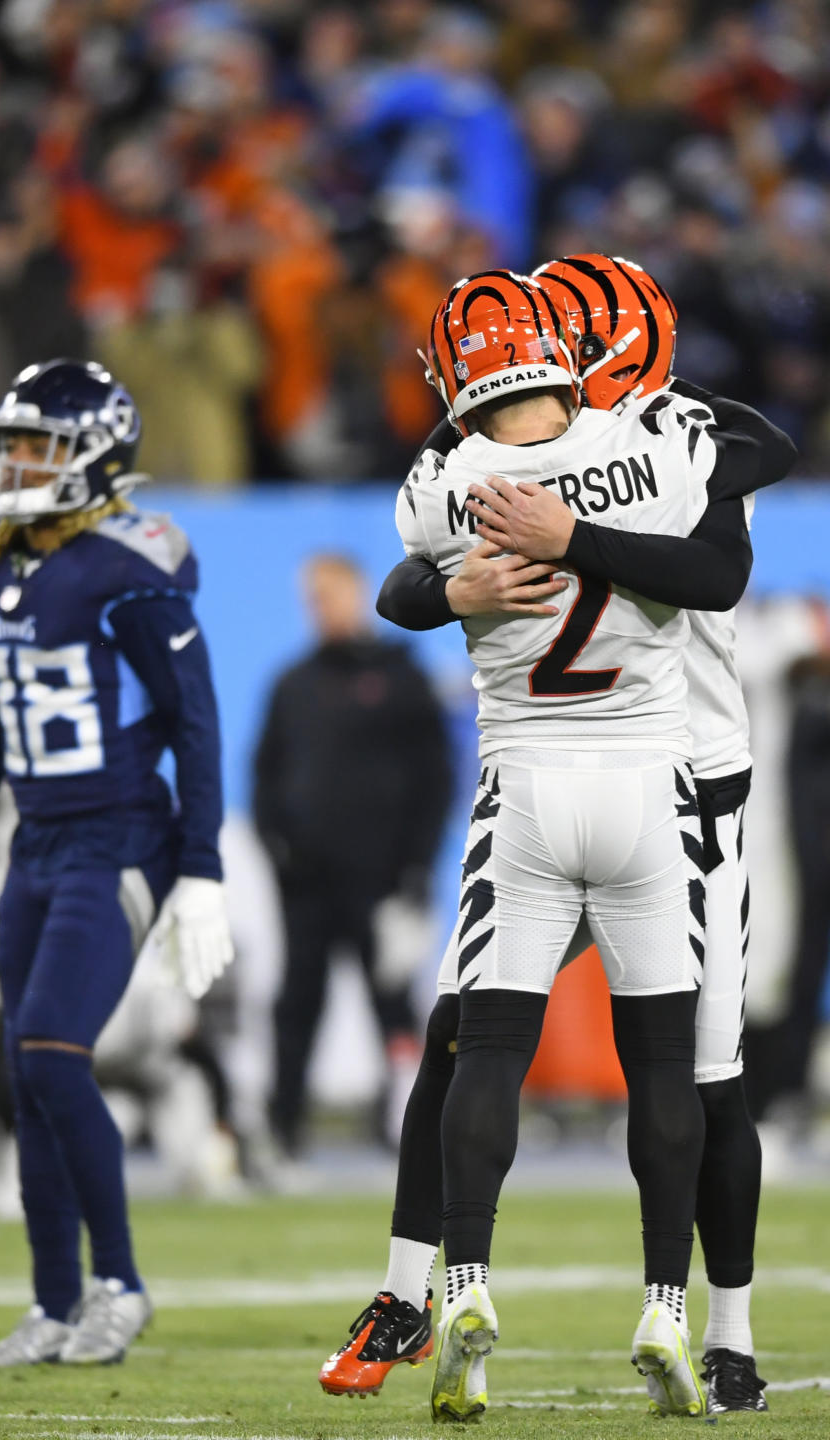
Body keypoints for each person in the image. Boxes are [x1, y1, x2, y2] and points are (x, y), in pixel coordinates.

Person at [319, 256, 795, 1417]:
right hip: (646, 791)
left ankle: (727, 1335)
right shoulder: (666, 442)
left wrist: (566, 535)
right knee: (470, 1040)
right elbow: (413, 586)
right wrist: (471, 583)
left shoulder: (538, 448)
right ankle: (413, 1295)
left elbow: (719, 571)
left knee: (703, 1076)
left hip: (676, 794)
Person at [0, 359, 233, 1366]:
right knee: (25, 1073)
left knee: (49, 1052)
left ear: (97, 457)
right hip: (31, 842)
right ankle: (51, 1303)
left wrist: (200, 866)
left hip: (122, 834)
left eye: (42, 446)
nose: (20, 464)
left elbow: (194, 724)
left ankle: (118, 1285)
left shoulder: (131, 563)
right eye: (13, 445)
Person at [253, 552, 452, 1157]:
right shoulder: (293, 684)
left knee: (391, 1003)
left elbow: (435, 780)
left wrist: (416, 868)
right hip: (307, 879)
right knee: (297, 1005)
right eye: (313, 598)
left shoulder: (400, 678)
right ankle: (283, 1128)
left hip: (381, 876)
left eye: (331, 594)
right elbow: (265, 776)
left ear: (360, 593)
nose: (323, 608)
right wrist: (277, 848)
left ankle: (407, 1125)